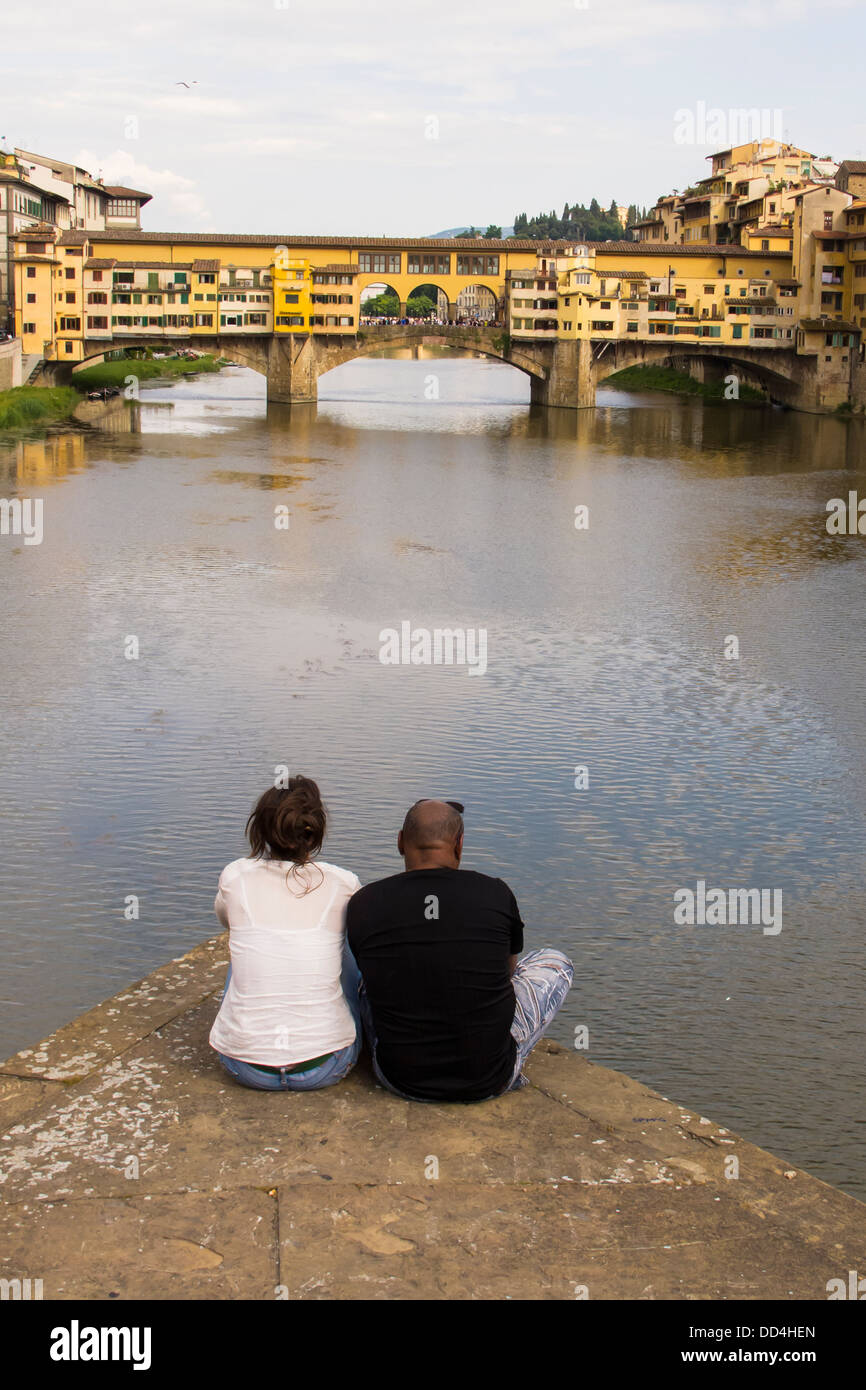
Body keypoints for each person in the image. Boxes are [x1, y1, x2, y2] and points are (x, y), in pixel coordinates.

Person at [347, 799, 573, 1103]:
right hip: (490, 1078)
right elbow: (507, 975)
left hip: (398, 1077)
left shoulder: (365, 902)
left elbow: (369, 976)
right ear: (460, 844)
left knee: (362, 980)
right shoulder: (495, 892)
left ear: (400, 841)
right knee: (556, 961)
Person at [209, 776, 363, 1090]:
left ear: (261, 829)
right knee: (343, 942)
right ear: (316, 830)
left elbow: (226, 921)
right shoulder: (343, 883)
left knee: (242, 941)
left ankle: (251, 1029)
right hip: (327, 1064)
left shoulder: (235, 877)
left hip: (244, 1065)